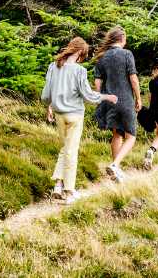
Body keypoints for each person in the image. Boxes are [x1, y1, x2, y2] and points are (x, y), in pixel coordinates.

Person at [40, 37, 118, 202]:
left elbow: (46, 95)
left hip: (59, 114)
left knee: (64, 149)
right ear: (81, 52)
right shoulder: (79, 71)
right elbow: (88, 95)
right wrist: (107, 97)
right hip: (75, 115)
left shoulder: (53, 66)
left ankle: (58, 186)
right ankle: (69, 191)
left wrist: (48, 107)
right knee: (71, 151)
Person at [92, 26, 141, 182]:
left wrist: (100, 100)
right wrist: (138, 97)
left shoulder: (102, 57)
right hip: (126, 99)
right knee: (131, 135)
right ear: (122, 38)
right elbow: (133, 78)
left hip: (110, 101)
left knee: (117, 134)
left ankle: (116, 170)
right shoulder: (127, 54)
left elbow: (97, 84)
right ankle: (115, 165)